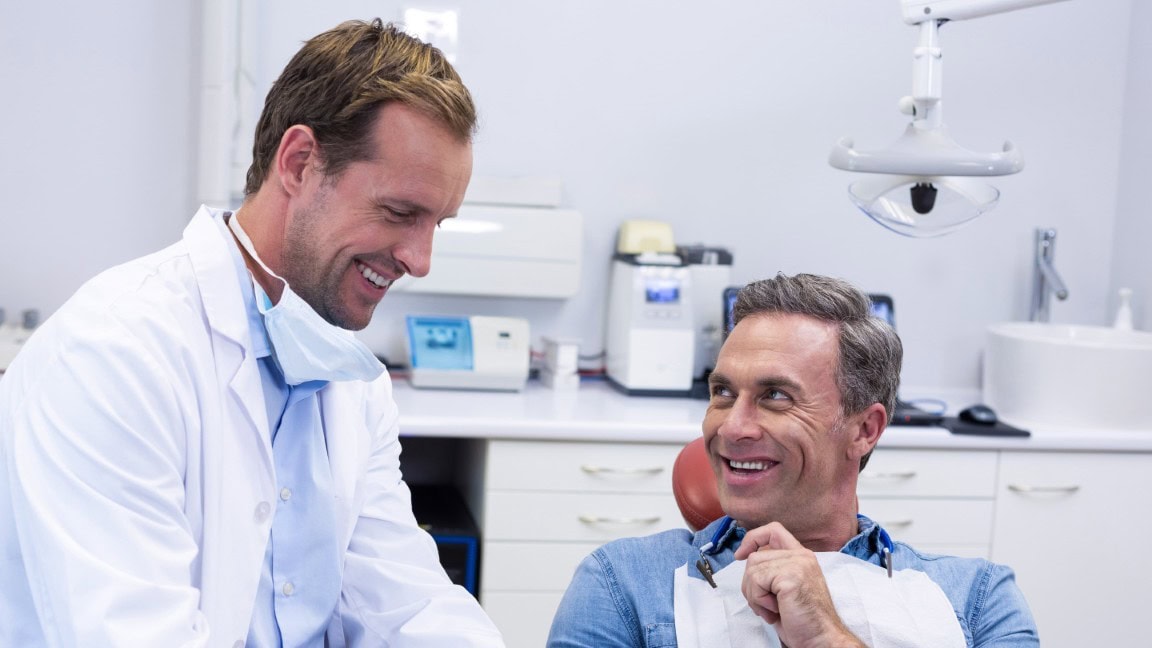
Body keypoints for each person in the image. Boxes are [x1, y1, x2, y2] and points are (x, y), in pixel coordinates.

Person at [0, 19, 504, 647]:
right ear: (299, 163)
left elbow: (404, 601)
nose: (420, 260)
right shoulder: (112, 357)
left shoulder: (348, 379)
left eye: (437, 225)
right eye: (400, 212)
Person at [547, 273, 1037, 647]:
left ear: (865, 430)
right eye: (723, 392)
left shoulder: (978, 597)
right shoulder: (625, 583)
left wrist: (826, 635)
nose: (732, 427)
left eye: (776, 396)